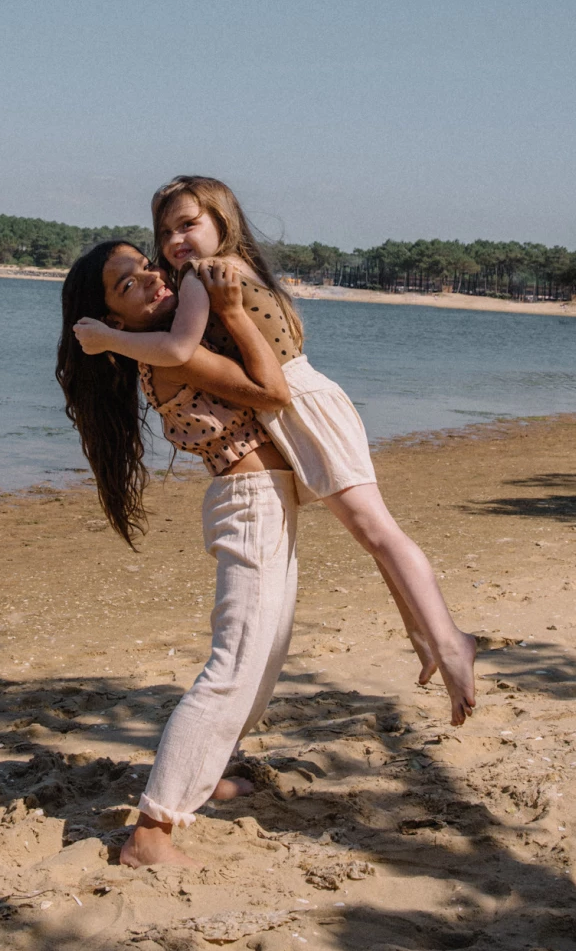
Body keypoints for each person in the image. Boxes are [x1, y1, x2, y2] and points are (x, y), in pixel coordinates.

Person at [73, 175, 477, 727]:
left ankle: (451, 642)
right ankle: (425, 636)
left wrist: (108, 339)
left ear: (222, 221)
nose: (174, 241)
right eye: (165, 232)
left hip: (300, 407)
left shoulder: (203, 277)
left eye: (187, 224)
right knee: (371, 533)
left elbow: (179, 348)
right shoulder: (232, 268)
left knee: (378, 531)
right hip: (302, 406)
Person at [57, 241, 300, 867]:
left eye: (146, 266)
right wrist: (233, 311)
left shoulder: (174, 344)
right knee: (235, 664)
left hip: (266, 502)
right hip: (249, 503)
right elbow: (273, 393)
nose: (151, 279)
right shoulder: (174, 357)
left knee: (264, 658)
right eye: (127, 285)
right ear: (114, 320)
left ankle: (207, 775)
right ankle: (150, 833)